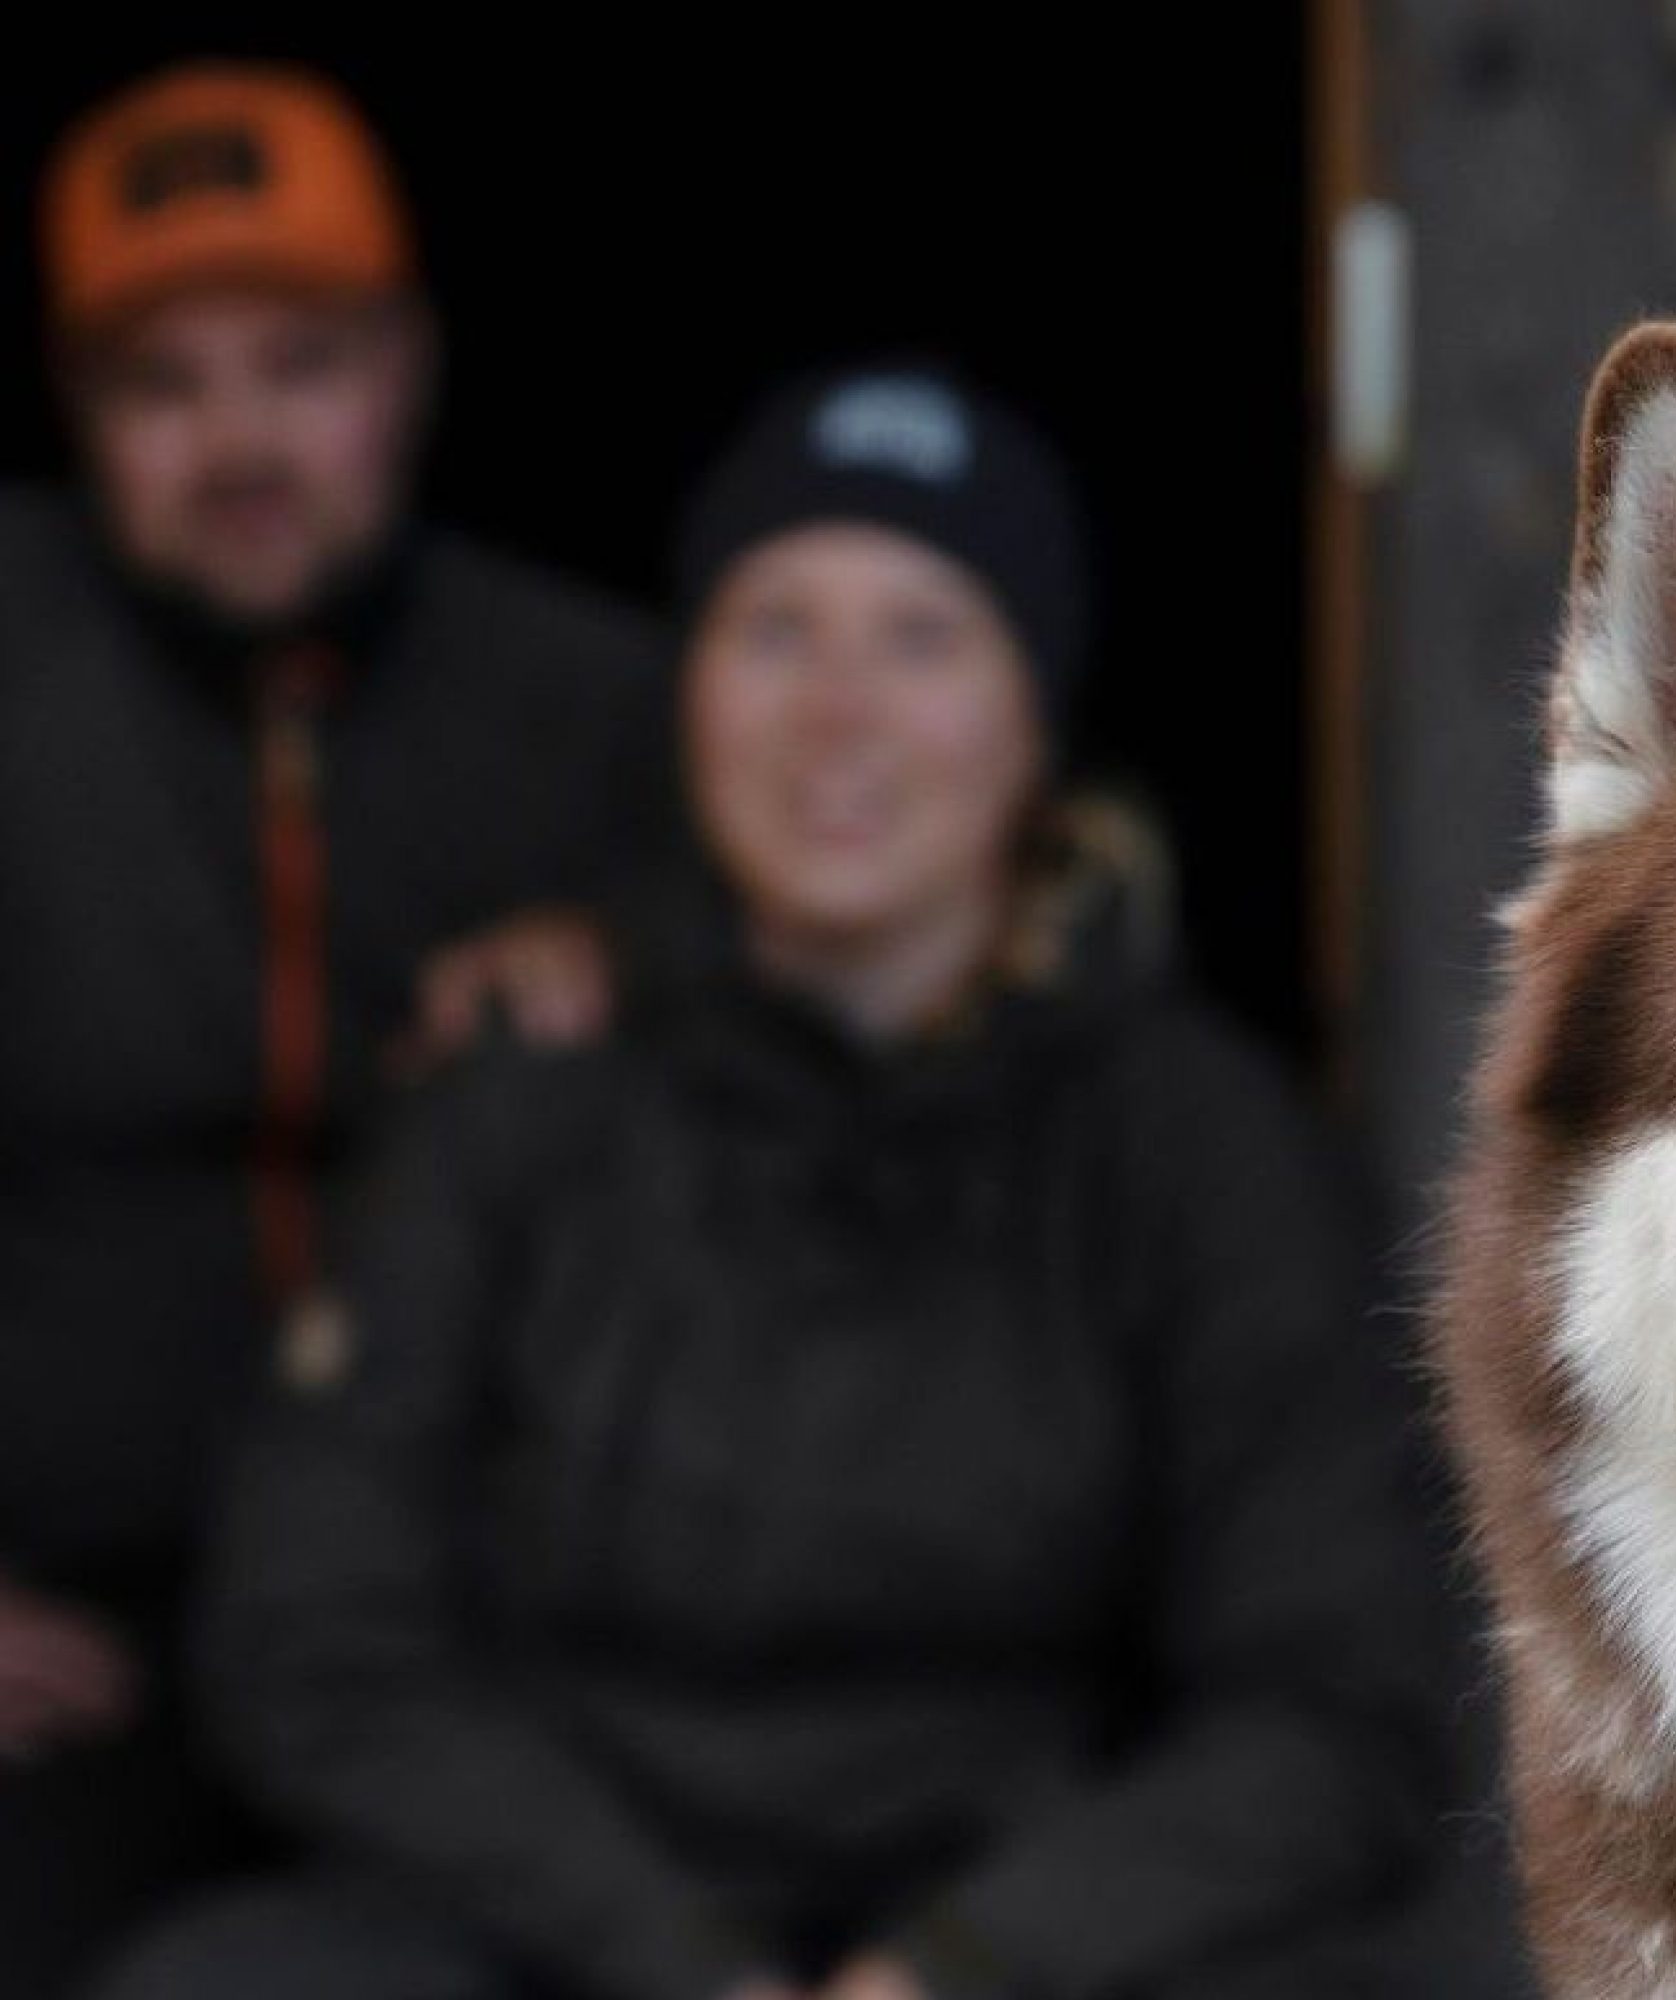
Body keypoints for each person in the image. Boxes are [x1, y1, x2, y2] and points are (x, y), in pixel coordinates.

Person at [94, 362, 1454, 2000]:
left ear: (1035, 721)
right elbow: (310, 1633)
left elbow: (1340, 1695)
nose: (839, 713)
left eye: (923, 637)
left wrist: (956, 1970)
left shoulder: (1193, 1144)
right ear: (689, 696)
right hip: (563, 1921)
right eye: (776, 631)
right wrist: (677, 1962)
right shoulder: (524, 1096)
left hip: (1028, 1924)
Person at [0, 61, 675, 1991]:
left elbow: (959, 886)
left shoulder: (609, 704)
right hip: (77, 1651)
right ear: (80, 419)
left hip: (481, 1654)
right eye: (164, 383)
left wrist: (639, 942)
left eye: (299, 364)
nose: (239, 442)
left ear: (410, 372)